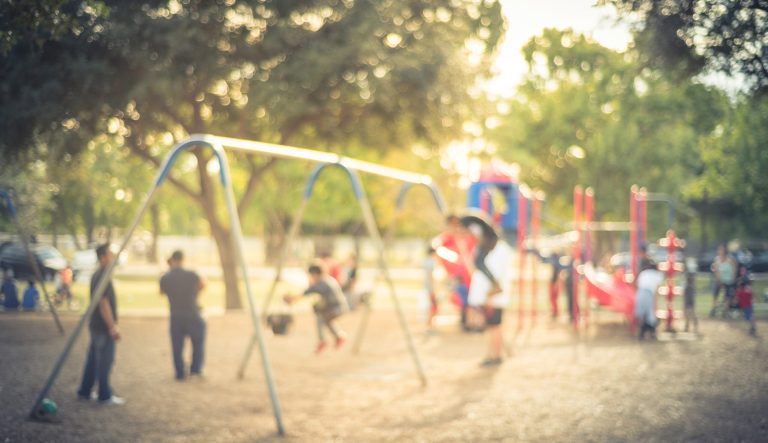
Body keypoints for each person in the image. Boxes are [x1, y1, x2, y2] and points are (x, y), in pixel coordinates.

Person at [461, 216, 513, 367]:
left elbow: (497, 275)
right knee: (493, 326)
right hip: (489, 295)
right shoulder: (484, 248)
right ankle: (494, 354)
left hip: (493, 295)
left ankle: (495, 356)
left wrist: (489, 296)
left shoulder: (498, 248)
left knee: (494, 326)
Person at [77, 244, 125, 405]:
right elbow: (103, 303)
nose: (113, 257)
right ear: (103, 257)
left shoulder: (98, 274)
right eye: (111, 254)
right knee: (105, 359)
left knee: (92, 359)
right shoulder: (102, 275)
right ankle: (104, 394)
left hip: (96, 324)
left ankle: (85, 390)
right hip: (102, 325)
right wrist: (112, 327)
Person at [159, 250, 206, 380]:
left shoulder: (165, 277)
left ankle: (180, 372)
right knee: (198, 342)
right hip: (192, 312)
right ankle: (195, 369)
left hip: (176, 314)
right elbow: (203, 284)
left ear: (172, 260)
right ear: (183, 259)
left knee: (177, 345)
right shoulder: (192, 274)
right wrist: (194, 295)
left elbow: (161, 292)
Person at [284, 263, 348, 354]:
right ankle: (339, 336)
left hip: (336, 308)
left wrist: (294, 298)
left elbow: (310, 291)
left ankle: (323, 340)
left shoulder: (323, 282)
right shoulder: (328, 279)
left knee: (320, 318)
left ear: (314, 274)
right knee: (325, 319)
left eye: (311, 275)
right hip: (338, 307)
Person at [432, 214, 476, 331]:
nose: (456, 227)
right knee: (454, 296)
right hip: (455, 274)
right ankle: (434, 316)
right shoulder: (448, 238)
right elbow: (437, 245)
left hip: (466, 275)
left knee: (468, 299)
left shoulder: (466, 238)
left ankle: (467, 321)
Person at [635, 259, 663, 340]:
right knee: (650, 315)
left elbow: (637, 285)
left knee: (642, 314)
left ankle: (641, 334)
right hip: (649, 293)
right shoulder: (657, 275)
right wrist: (656, 304)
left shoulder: (643, 273)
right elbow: (656, 291)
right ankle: (652, 333)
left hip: (640, 293)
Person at [710, 244, 737, 317]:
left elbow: (734, 270)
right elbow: (716, 271)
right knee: (715, 294)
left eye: (721, 250)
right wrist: (719, 281)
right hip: (720, 280)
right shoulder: (717, 260)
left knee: (727, 296)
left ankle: (725, 311)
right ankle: (713, 309)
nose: (719, 251)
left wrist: (732, 279)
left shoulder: (730, 259)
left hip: (729, 281)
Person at [735, 268, 756, 336]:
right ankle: (752, 327)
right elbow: (753, 296)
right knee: (749, 317)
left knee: (748, 318)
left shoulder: (740, 292)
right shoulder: (747, 291)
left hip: (746, 307)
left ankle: (752, 328)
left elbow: (737, 299)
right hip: (748, 306)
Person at [423, 245, 439, 331]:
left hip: (427, 286)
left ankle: (430, 325)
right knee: (433, 307)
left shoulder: (425, 261)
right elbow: (431, 276)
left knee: (432, 306)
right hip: (431, 287)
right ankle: (429, 325)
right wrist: (434, 288)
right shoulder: (431, 262)